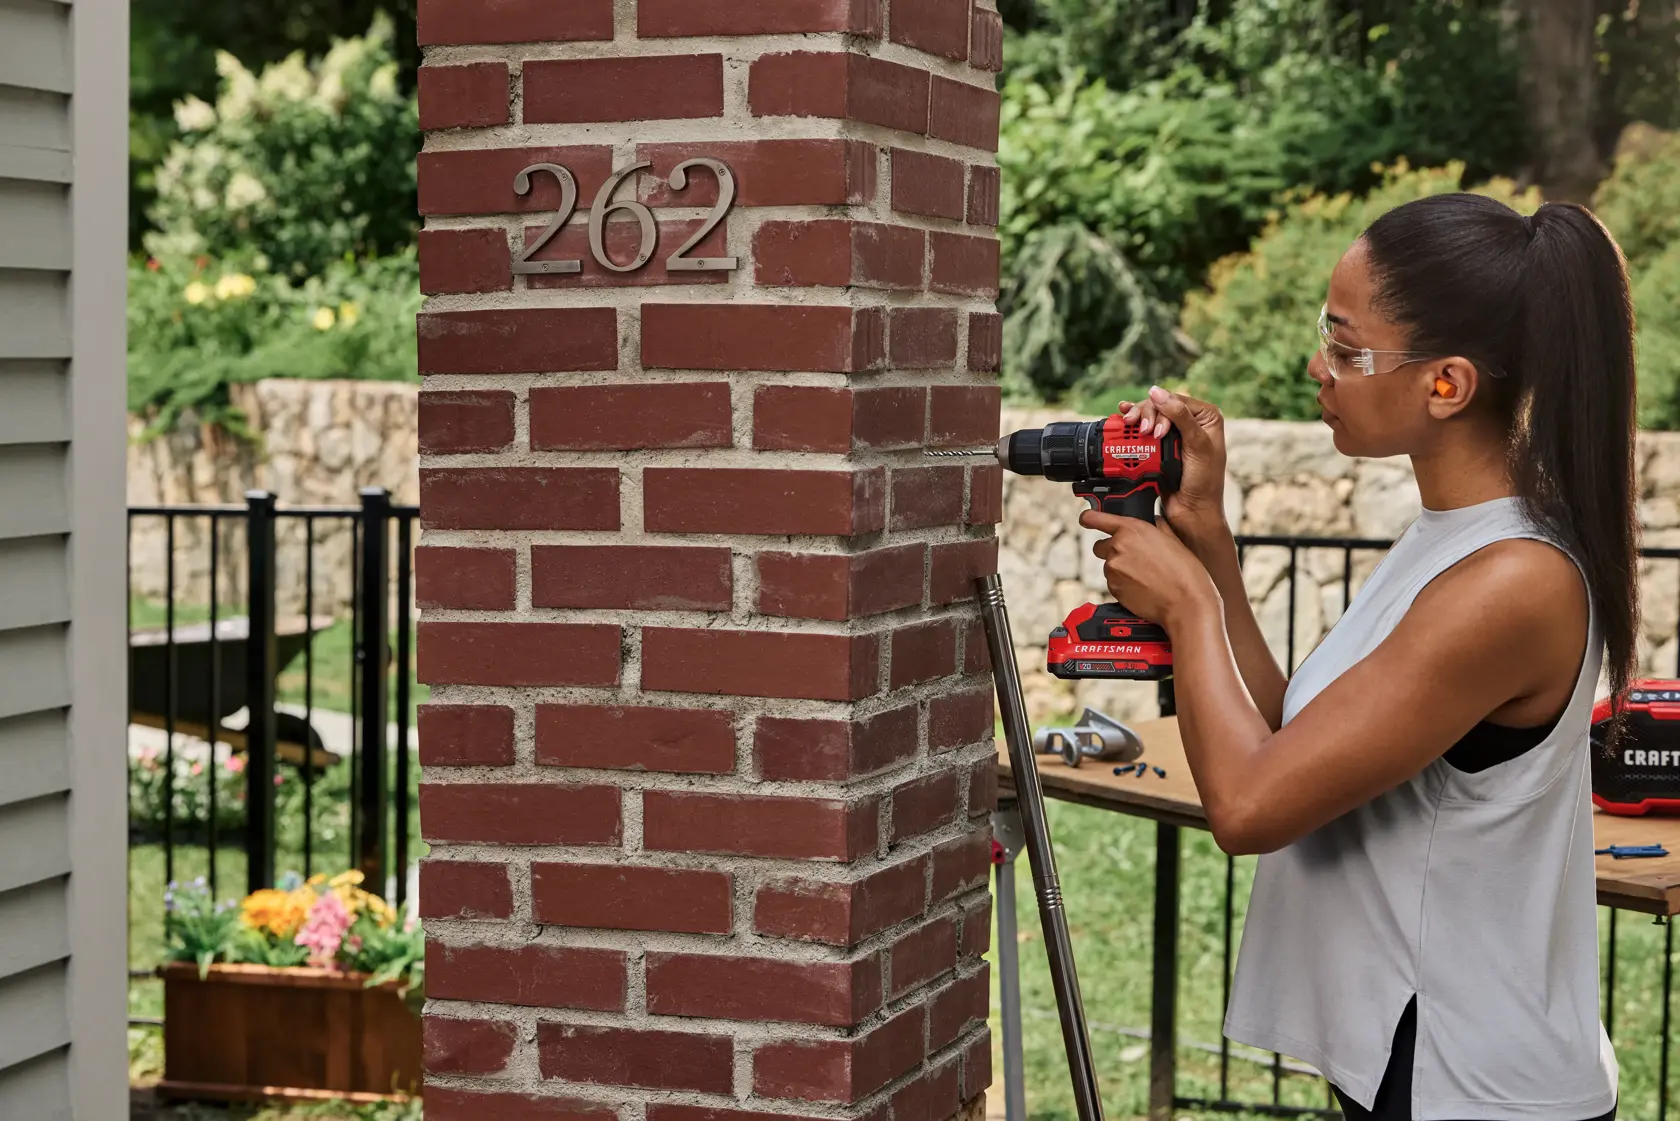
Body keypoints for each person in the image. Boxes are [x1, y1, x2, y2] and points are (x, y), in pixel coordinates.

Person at [1085, 193, 1636, 1121]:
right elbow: (1285, 737)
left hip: (1476, 1085)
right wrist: (1207, 540)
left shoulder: (1514, 581)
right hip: (1416, 1064)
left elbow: (1254, 804)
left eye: (1347, 350)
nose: (1318, 368)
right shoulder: (1453, 538)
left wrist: (1183, 603)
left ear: (1447, 384)